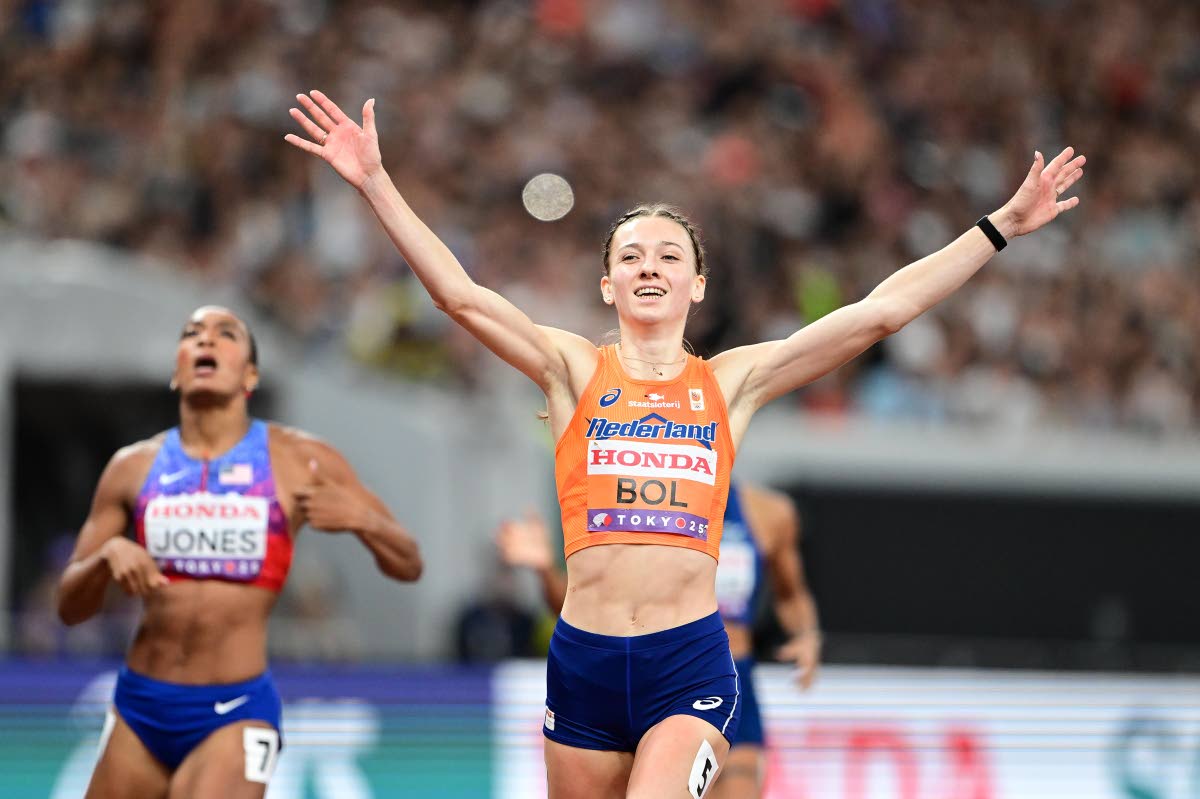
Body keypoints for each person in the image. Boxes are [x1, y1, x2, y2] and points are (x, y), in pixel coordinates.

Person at [286, 89, 1084, 798]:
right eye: (630, 255)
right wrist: (376, 182)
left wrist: (1002, 226)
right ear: (607, 284)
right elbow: (459, 297)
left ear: (697, 284)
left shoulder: (731, 382)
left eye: (670, 255)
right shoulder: (572, 369)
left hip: (689, 666)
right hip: (585, 661)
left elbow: (879, 313)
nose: (650, 266)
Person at [56, 306, 423, 799]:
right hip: (140, 707)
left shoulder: (299, 460)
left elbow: (409, 563)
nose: (205, 340)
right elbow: (69, 609)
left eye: (225, 334)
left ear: (250, 375)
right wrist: (106, 559)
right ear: (176, 370)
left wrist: (363, 520)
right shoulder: (132, 468)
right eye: (192, 334)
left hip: (234, 710)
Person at [497, 479, 820, 798]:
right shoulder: (645, 503)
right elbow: (583, 605)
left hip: (726, 678)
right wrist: (544, 570)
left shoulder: (769, 514)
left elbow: (791, 594)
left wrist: (807, 635)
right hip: (657, 673)